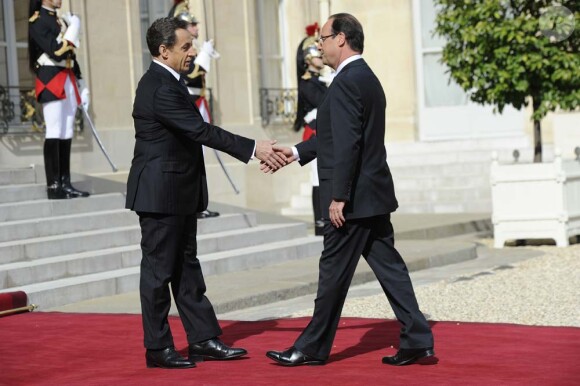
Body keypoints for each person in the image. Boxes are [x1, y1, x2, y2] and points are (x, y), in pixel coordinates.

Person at [264, 13, 435, 366]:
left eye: (323, 38)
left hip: (352, 201)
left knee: (332, 274)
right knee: (391, 270)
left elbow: (348, 144)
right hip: (372, 195)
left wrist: (338, 196)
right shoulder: (365, 77)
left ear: (341, 39)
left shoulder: (344, 83)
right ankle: (417, 339)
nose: (320, 45)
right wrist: (296, 151)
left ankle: (310, 348)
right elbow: (334, 137)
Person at [126, 17, 287, 369]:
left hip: (178, 191)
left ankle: (202, 338)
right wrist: (253, 148)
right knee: (158, 273)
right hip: (159, 194)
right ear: (163, 50)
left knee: (186, 267)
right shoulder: (158, 86)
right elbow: (199, 130)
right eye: (185, 46)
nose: (192, 51)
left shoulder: (173, 82)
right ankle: (158, 348)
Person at [28, 0, 90, 199]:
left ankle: (65, 182)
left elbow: (70, 55)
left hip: (67, 77)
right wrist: (73, 29)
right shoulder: (37, 21)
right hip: (50, 78)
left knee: (67, 130)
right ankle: (53, 185)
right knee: (54, 130)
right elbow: (56, 50)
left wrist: (82, 83)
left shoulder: (60, 21)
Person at [171, 1, 221, 219]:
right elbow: (189, 75)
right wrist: (203, 57)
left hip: (198, 101)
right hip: (189, 102)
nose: (196, 28)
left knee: (198, 154)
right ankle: (192, 204)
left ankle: (199, 203)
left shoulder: (194, 47)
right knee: (191, 153)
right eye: (192, 25)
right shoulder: (182, 49)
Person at [296, 34, 329, 236]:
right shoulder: (307, 82)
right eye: (317, 54)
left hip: (323, 130)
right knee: (317, 179)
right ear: (308, 59)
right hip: (315, 132)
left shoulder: (320, 80)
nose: (320, 57)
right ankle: (320, 222)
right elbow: (322, 103)